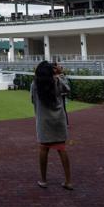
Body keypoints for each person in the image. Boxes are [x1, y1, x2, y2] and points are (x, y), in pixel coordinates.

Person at [31, 60, 73, 190]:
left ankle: (43, 180)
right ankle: (68, 181)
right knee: (62, 149)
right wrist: (61, 74)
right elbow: (68, 89)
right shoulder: (57, 81)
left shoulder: (35, 84)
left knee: (44, 149)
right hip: (58, 120)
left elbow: (33, 100)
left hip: (44, 121)